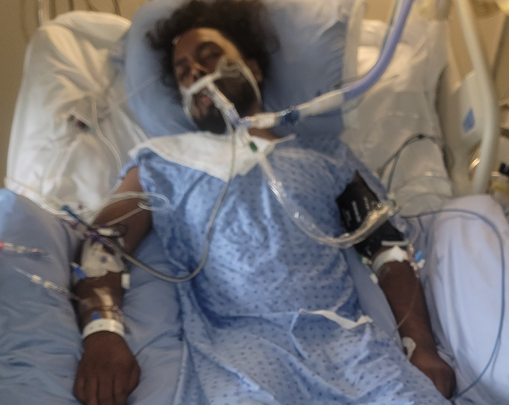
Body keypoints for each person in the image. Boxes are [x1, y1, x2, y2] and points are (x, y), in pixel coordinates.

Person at [72, 1, 456, 405]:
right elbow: (102, 245)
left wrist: (421, 347)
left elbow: (387, 248)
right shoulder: (164, 160)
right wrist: (102, 334)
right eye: (183, 72)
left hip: (348, 345)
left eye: (209, 56)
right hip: (242, 351)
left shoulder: (325, 156)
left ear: (253, 69)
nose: (196, 73)